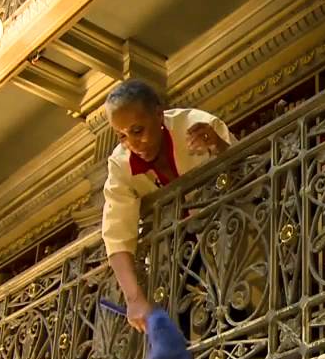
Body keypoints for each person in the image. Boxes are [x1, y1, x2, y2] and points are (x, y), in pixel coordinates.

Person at [101, 79, 236, 332]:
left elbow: (249, 174)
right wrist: (134, 298)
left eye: (138, 130)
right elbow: (117, 233)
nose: (132, 143)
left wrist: (219, 147)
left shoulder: (195, 123)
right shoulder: (120, 164)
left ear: (159, 115)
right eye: (121, 136)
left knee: (240, 298)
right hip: (176, 255)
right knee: (180, 316)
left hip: (230, 234)